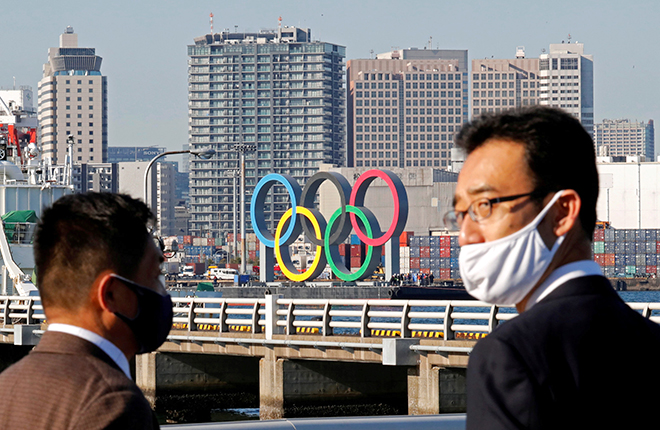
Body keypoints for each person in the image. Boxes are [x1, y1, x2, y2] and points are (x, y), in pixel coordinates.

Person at [445, 107, 660, 429]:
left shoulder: (510, 355)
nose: (465, 236)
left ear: (561, 213)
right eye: (460, 214)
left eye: (484, 206)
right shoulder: (652, 342)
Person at [0, 193, 172, 429]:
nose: (163, 292)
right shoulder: (113, 402)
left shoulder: (7, 386)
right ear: (111, 294)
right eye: (155, 276)